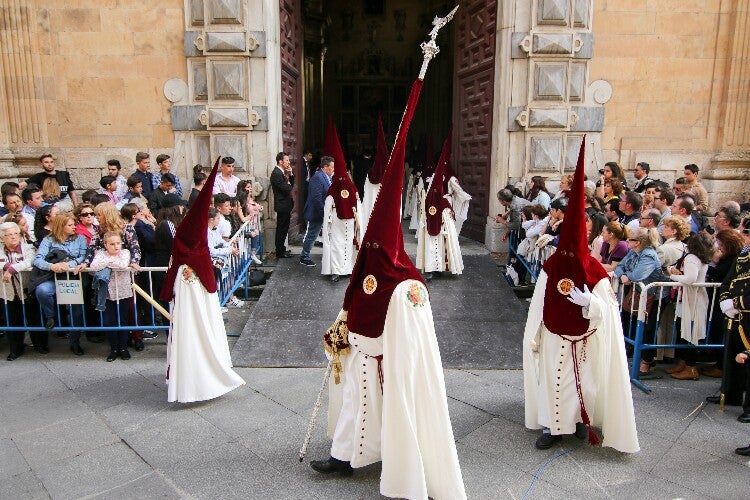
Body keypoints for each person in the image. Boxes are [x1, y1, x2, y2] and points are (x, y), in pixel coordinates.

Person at [311, 75, 467, 499]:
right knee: (353, 410)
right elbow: (355, 301)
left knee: (379, 413)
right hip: (360, 354)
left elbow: (416, 341)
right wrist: (342, 328)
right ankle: (345, 459)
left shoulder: (409, 287)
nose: (373, 251)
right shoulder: (369, 269)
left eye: (379, 246)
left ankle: (374, 462)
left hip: (389, 363)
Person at [523, 140, 639, 453]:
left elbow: (609, 312)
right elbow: (538, 304)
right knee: (552, 380)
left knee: (580, 383)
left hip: (583, 337)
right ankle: (551, 425)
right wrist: (534, 334)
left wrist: (592, 304)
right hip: (553, 334)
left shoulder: (594, 272)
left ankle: (574, 422)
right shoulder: (551, 267)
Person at [159, 158, 245, 403]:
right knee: (193, 335)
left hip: (196, 289)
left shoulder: (190, 239)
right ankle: (194, 383)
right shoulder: (189, 243)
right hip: (190, 290)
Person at [32, 213, 88, 355]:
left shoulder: (80, 239)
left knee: (76, 312)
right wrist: (52, 266)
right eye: (70, 225)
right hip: (52, 276)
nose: (74, 227)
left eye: (74, 224)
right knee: (42, 291)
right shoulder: (48, 240)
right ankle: (50, 315)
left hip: (72, 278)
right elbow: (37, 260)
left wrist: (67, 264)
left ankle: (75, 342)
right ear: (60, 226)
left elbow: (83, 256)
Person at [614, 227, 664, 377]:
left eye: (630, 239)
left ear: (638, 242)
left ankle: (647, 361)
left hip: (653, 297)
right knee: (634, 325)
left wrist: (626, 276)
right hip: (638, 294)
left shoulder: (648, 255)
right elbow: (619, 267)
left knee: (648, 329)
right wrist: (623, 276)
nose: (627, 241)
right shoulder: (633, 251)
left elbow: (637, 275)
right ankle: (638, 358)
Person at [664, 232, 714, 380]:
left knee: (690, 334)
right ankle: (684, 363)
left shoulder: (692, 257)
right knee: (685, 332)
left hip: (693, 299)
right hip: (691, 298)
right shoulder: (700, 257)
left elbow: (690, 278)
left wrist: (672, 276)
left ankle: (690, 367)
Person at [416, 130, 463, 279]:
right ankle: (431, 266)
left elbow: (422, 191)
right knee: (435, 238)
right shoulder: (448, 177)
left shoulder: (440, 176)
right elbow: (459, 192)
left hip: (443, 209)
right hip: (436, 208)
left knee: (445, 239)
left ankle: (441, 265)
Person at [321, 122, 362, 282]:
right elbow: (327, 210)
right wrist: (328, 226)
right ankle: (337, 270)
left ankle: (349, 269)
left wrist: (358, 223)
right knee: (337, 247)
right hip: (337, 223)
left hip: (349, 223)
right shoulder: (333, 191)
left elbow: (358, 206)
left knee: (348, 246)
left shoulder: (351, 190)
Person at [88, 231, 133, 362]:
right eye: (112, 244)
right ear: (105, 245)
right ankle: (113, 348)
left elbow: (123, 264)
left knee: (123, 320)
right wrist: (111, 260)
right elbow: (94, 266)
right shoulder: (100, 253)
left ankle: (123, 347)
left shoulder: (125, 253)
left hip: (123, 291)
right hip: (107, 293)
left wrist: (107, 262)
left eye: (118, 243)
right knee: (109, 321)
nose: (116, 246)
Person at [0, 222, 36, 360]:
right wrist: (7, 266)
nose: (13, 237)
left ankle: (40, 345)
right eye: (8, 235)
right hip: (7, 292)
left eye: (15, 233)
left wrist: (12, 269)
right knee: (12, 320)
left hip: (27, 289)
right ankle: (16, 349)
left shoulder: (27, 247)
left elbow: (30, 261)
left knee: (33, 317)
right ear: (2, 237)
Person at [299, 155, 334, 267]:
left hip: (323, 212)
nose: (333, 169)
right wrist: (323, 213)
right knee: (312, 235)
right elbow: (316, 198)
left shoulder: (327, 177)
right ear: (325, 167)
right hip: (316, 213)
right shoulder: (317, 177)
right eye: (332, 167)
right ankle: (304, 257)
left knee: (315, 235)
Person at [270, 151, 294, 258]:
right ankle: (279, 252)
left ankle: (282, 249)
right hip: (282, 205)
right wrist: (288, 183)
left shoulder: (282, 172)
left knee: (284, 228)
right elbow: (287, 188)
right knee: (281, 229)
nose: (289, 162)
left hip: (286, 205)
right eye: (287, 160)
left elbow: (290, 185)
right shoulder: (276, 173)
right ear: (280, 162)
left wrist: (291, 174)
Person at [236, 180, 262, 264]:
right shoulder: (240, 202)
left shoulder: (250, 199)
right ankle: (251, 255)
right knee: (253, 234)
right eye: (248, 187)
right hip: (244, 225)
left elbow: (258, 208)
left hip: (252, 223)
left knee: (256, 233)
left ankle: (253, 254)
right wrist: (251, 215)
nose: (250, 189)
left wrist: (257, 209)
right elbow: (243, 218)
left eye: (250, 187)